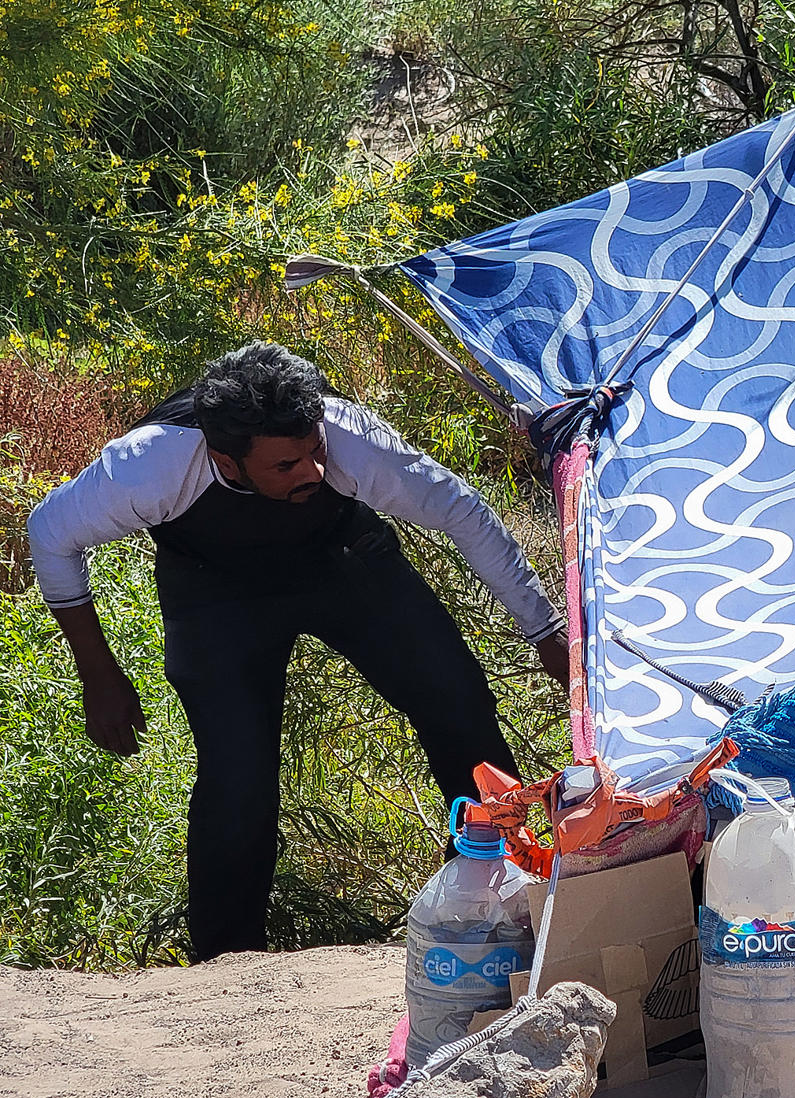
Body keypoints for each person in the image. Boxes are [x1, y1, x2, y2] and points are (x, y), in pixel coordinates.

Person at [27, 342, 568, 962]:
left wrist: (545, 630)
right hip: (214, 587)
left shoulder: (351, 439)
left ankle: (505, 907)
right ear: (225, 459)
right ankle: (226, 964)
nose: (311, 472)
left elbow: (462, 513)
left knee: (458, 704)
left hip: (342, 557)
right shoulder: (149, 464)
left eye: (315, 453)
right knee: (238, 777)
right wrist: (98, 672)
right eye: (285, 465)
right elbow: (49, 534)